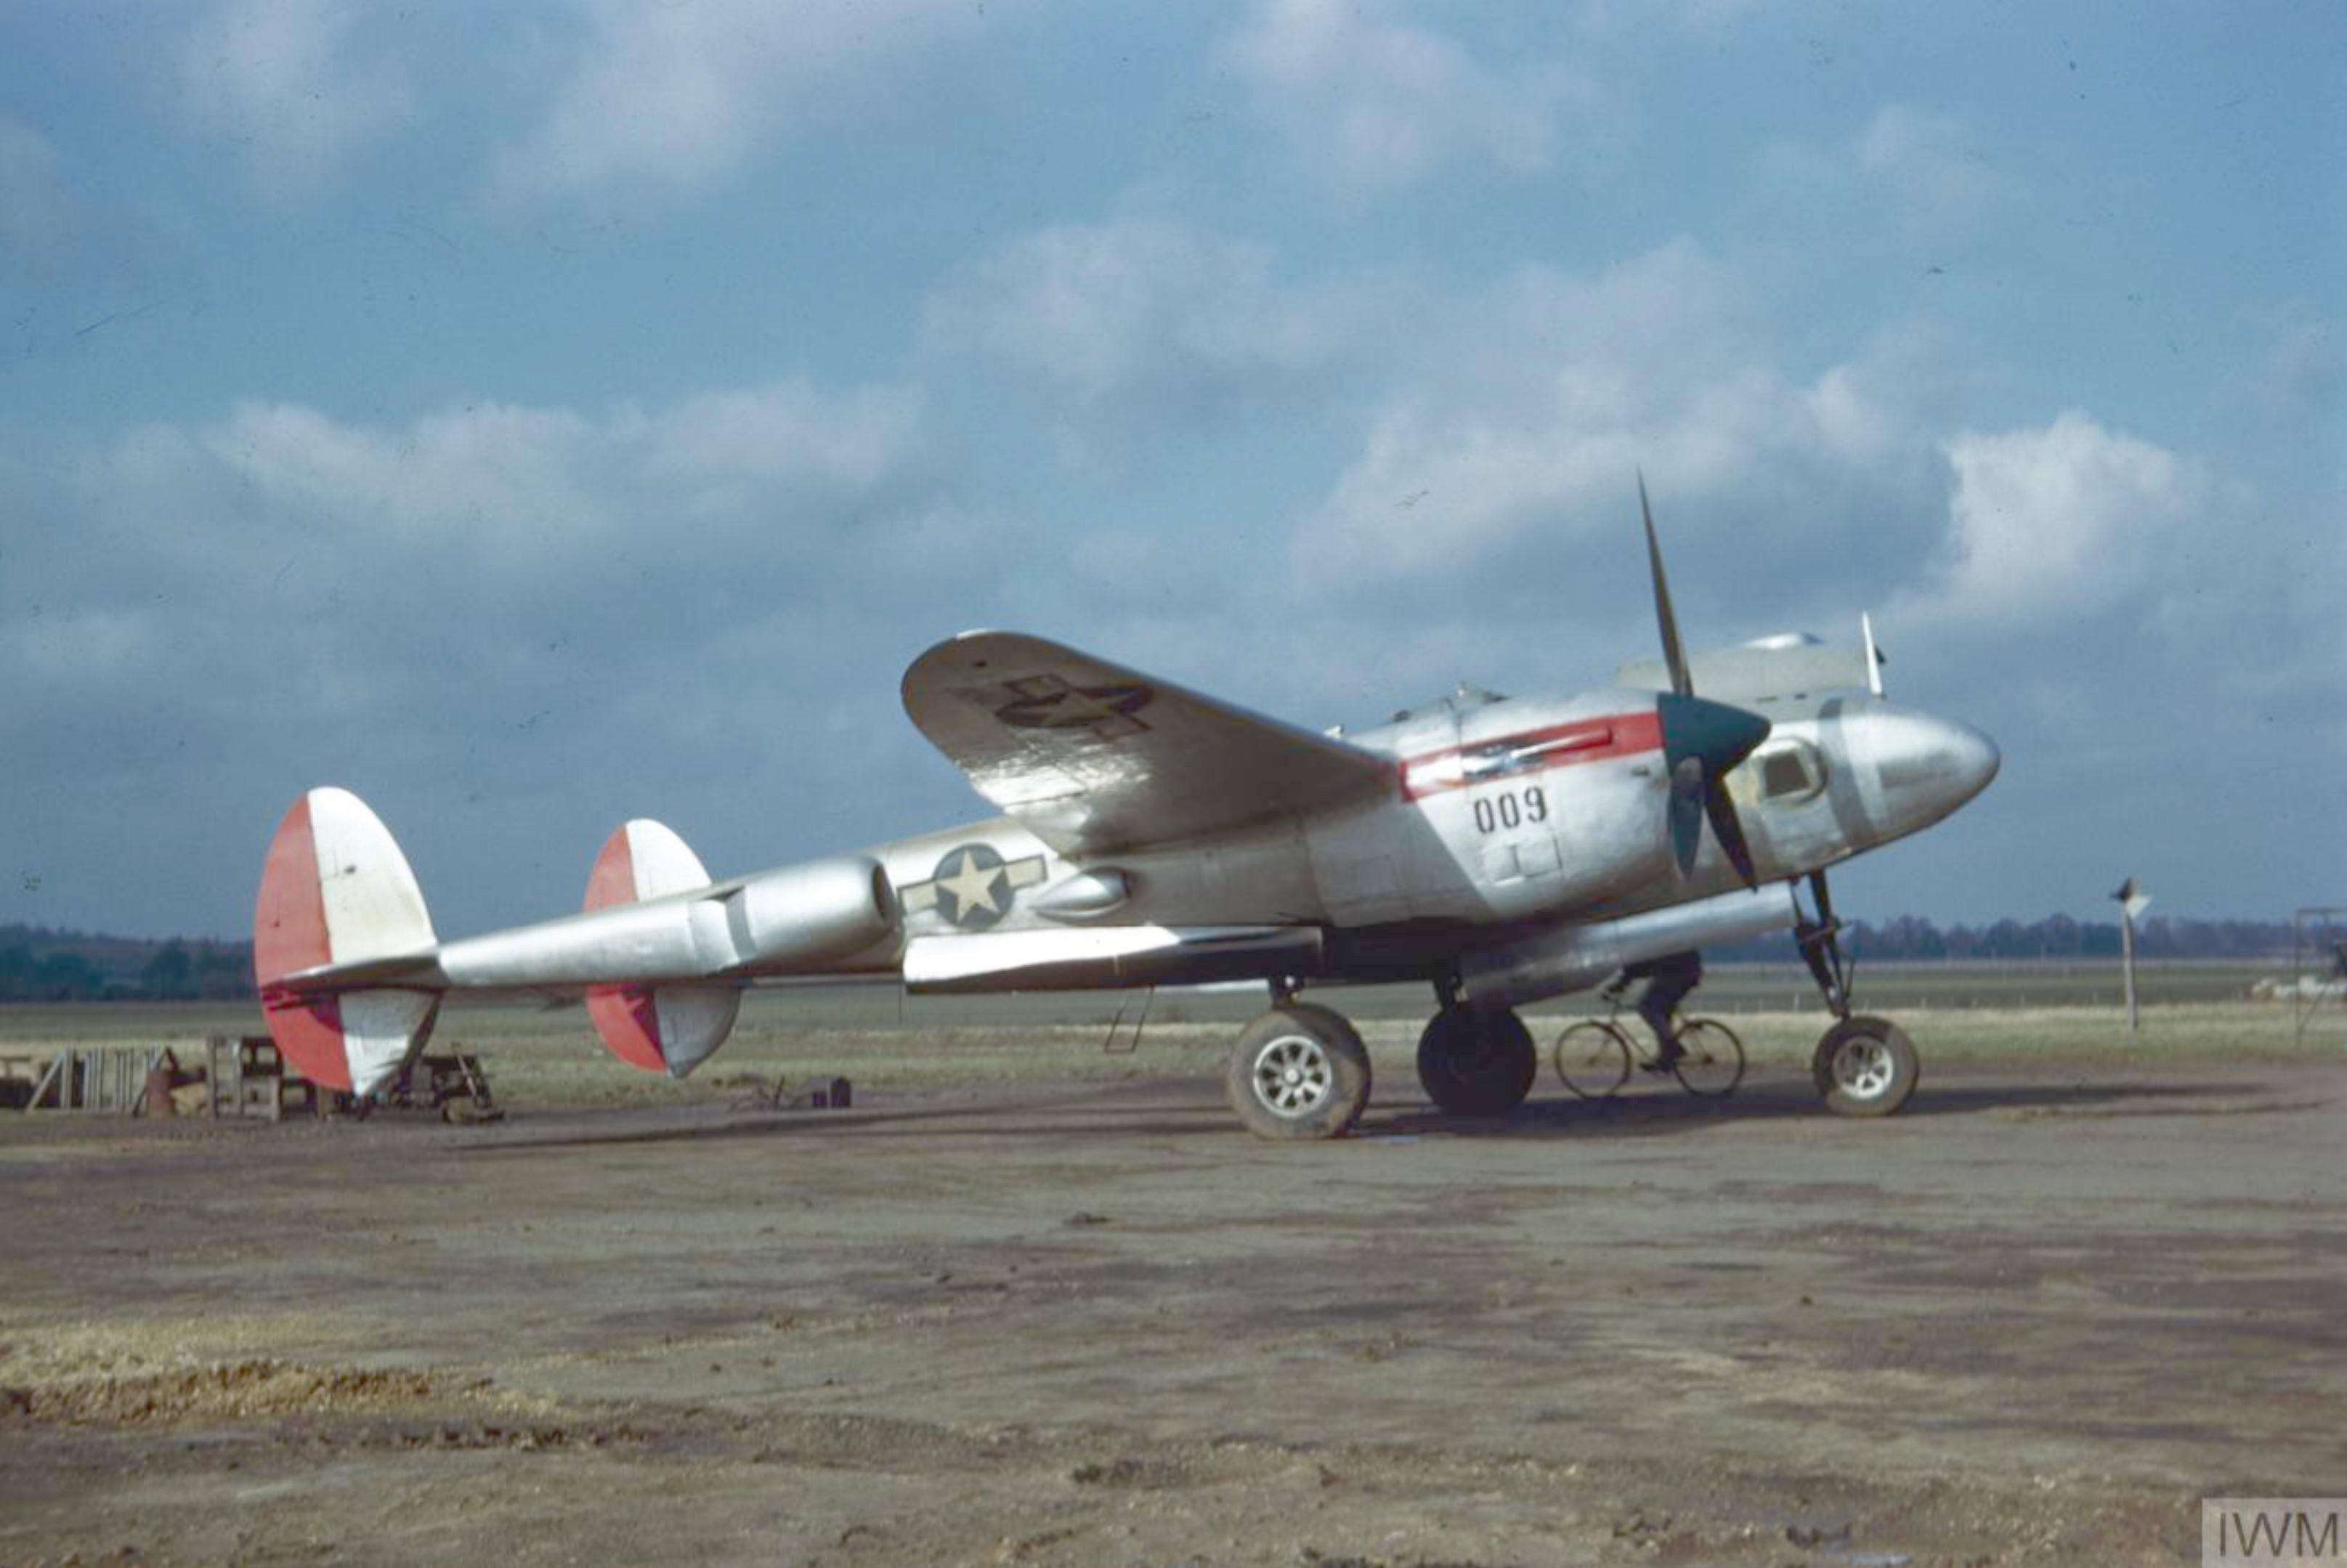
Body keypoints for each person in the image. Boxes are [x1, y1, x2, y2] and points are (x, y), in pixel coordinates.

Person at [1616, 950, 1703, 1072]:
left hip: (1677, 972)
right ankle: (1665, 1060)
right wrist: (1624, 981)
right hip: (1683, 971)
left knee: (1646, 1007)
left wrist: (1622, 982)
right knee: (1662, 1012)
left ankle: (1672, 1047)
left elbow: (1642, 964)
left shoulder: (1645, 940)